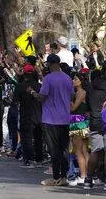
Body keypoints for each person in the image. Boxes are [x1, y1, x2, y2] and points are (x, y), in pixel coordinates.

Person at [30, 54, 74, 186]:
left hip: (50, 119)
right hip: (65, 118)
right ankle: (65, 176)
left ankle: (56, 177)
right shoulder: (67, 78)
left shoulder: (48, 79)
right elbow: (72, 95)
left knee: (53, 149)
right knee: (64, 148)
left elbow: (42, 97)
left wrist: (32, 93)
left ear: (49, 64)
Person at [15, 64, 43, 168]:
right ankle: (39, 159)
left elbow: (15, 101)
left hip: (26, 115)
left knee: (26, 138)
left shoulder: (20, 86)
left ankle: (28, 159)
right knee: (38, 138)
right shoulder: (39, 86)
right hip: (39, 115)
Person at [84, 66, 106, 189]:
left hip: (95, 121)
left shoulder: (90, 87)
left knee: (95, 151)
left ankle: (88, 178)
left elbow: (87, 109)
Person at [68, 72, 90, 186]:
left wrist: (69, 98)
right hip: (82, 122)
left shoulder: (81, 93)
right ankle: (87, 175)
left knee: (78, 151)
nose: (73, 81)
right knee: (84, 150)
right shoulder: (81, 92)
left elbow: (73, 108)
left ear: (80, 81)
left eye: (75, 79)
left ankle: (83, 175)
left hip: (77, 122)